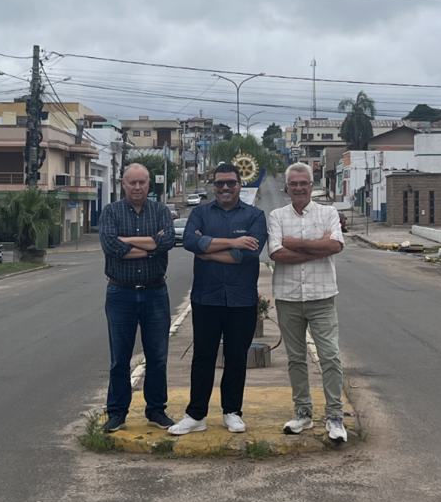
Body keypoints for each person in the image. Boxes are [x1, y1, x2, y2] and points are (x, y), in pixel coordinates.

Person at [168, 162, 268, 435]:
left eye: (230, 183)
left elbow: (249, 254)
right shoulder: (200, 213)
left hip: (242, 299)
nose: (225, 187)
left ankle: (232, 412)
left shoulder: (255, 216)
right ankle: (195, 415)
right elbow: (190, 242)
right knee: (203, 357)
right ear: (214, 185)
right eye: (220, 183)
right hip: (206, 297)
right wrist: (234, 242)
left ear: (239, 185)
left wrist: (208, 250)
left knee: (236, 358)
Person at [267, 162, 349, 442]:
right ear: (287, 187)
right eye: (294, 184)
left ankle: (335, 416)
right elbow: (276, 253)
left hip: (321, 297)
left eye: (304, 183)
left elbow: (335, 245)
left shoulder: (328, 213)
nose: (299, 188)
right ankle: (303, 412)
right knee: (295, 359)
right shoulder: (277, 216)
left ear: (312, 186)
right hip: (288, 298)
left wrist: (295, 243)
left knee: (330, 357)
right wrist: (317, 248)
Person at [96, 163, 176, 432]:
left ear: (149, 183)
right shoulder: (111, 212)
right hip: (121, 293)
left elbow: (167, 242)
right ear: (123, 184)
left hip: (155, 292)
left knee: (158, 357)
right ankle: (117, 413)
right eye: (132, 182)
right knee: (120, 358)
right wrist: (152, 245)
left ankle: (156, 410)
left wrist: (128, 241)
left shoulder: (161, 211)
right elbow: (111, 246)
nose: (138, 187)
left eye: (142, 182)